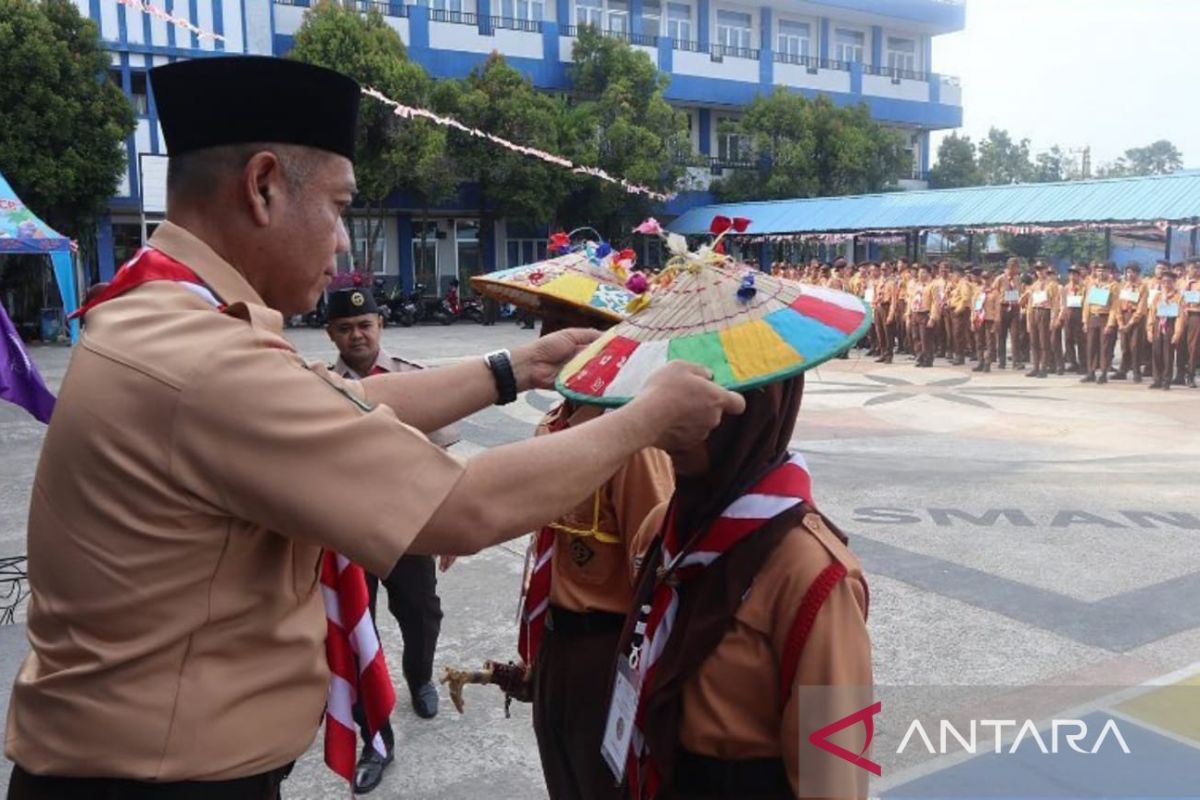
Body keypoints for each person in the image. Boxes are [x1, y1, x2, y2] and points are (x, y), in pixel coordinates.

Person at [6, 57, 743, 800]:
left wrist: (521, 366)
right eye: (337, 207)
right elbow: (463, 509)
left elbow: (341, 403)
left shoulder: (161, 313)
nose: (343, 245)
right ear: (263, 187)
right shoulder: (202, 361)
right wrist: (648, 417)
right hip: (153, 782)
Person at [554, 257, 872, 800]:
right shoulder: (664, 529)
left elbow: (833, 779)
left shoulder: (813, 575)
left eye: (696, 395)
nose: (664, 416)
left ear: (752, 407)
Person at [523, 311, 675, 800]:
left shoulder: (629, 445)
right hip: (554, 642)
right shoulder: (554, 426)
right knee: (563, 778)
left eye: (569, 331)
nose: (553, 344)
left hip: (603, 652)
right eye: (548, 328)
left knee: (602, 786)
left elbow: (654, 566)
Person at [324, 287, 455, 793]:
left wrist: (450, 527)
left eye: (365, 324)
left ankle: (419, 677)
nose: (357, 334)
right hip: (345, 534)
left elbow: (443, 458)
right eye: (345, 327)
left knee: (421, 614)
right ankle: (375, 737)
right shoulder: (316, 385)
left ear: (380, 325)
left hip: (409, 529)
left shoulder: (414, 381)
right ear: (331, 334)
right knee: (358, 635)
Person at [1081, 261, 1119, 384]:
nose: (1101, 273)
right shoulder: (1092, 284)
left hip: (1105, 317)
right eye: (1098, 270)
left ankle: (1103, 372)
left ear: (1109, 272)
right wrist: (1085, 321)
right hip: (1093, 316)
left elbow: (1115, 306)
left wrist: (1110, 323)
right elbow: (1087, 303)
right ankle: (1091, 372)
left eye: (1104, 270)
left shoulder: (1113, 285)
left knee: (1105, 347)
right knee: (1091, 346)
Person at [1109, 263, 1147, 384]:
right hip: (1124, 316)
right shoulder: (1123, 287)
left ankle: (1136, 371)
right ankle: (1123, 371)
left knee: (1135, 346)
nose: (1130, 275)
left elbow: (1141, 308)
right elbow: (1117, 305)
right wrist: (1120, 322)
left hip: (1136, 318)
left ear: (1137, 273)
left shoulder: (1142, 287)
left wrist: (1130, 323)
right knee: (1124, 346)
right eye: (1127, 272)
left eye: (1132, 272)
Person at [1146, 270, 1183, 390]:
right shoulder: (1158, 296)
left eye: (1169, 281)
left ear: (1174, 282)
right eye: (1164, 281)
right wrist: (1150, 330)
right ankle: (1157, 379)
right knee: (1156, 353)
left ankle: (1166, 380)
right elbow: (1152, 313)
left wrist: (1177, 333)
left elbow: (1180, 317)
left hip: (1170, 325)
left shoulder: (1178, 297)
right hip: (1158, 324)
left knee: (1168, 354)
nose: (1166, 284)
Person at [1025, 266, 1059, 378]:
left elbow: (1055, 303)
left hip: (1045, 312)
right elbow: (1030, 303)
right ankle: (1035, 367)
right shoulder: (1034, 285)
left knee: (1044, 342)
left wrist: (1054, 318)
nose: (1040, 272)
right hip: (1035, 311)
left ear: (1046, 271)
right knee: (1034, 342)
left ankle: (1044, 368)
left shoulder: (1052, 285)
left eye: (1042, 270)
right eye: (1038, 270)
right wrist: (1028, 320)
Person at [990, 258, 1023, 370]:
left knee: (1015, 336)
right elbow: (994, 292)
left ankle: (1016, 361)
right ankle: (1002, 361)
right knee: (1001, 336)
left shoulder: (1018, 279)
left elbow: (1019, 292)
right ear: (1010, 267)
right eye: (1015, 266)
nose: (1017, 269)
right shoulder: (1000, 279)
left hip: (1014, 308)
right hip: (1003, 308)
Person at [1061, 265, 1087, 373]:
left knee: (1081, 341)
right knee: (1068, 339)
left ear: (1079, 275)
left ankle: (1083, 364)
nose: (1072, 276)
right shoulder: (1066, 288)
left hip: (1079, 314)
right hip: (1069, 314)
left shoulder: (1084, 287)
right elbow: (1063, 303)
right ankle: (1072, 362)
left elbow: (1086, 302)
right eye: (1070, 274)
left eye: (1074, 274)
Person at [1181, 260, 1200, 388]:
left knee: (1193, 346)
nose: (1191, 271)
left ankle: (1191, 374)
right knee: (1180, 345)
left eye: (1194, 268)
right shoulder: (1182, 282)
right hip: (1180, 316)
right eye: (1189, 268)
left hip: (1195, 315)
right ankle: (1179, 374)